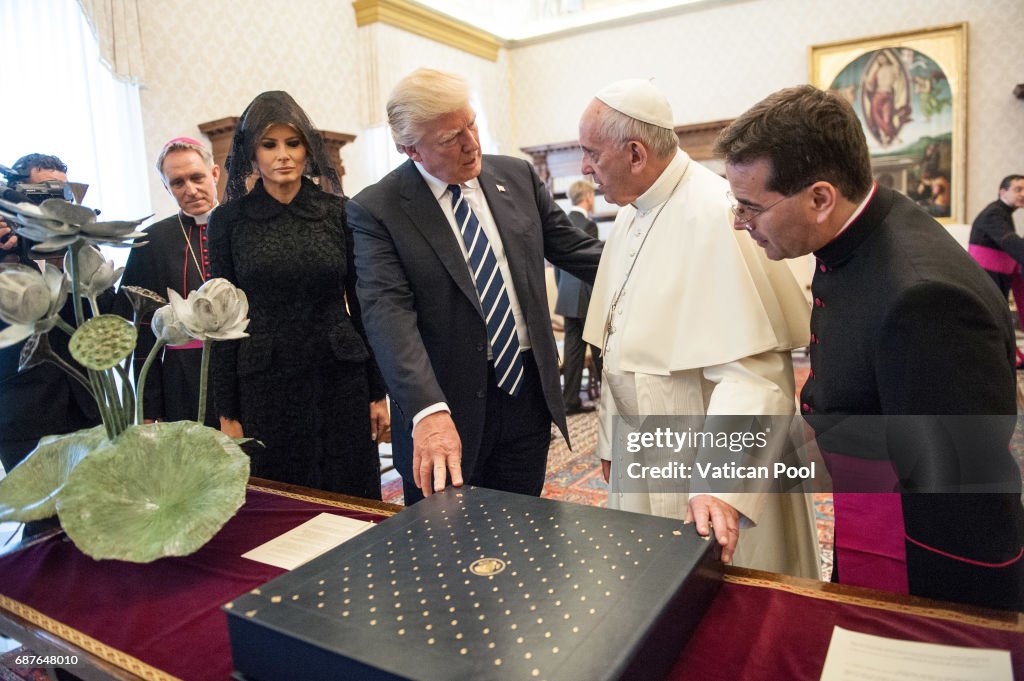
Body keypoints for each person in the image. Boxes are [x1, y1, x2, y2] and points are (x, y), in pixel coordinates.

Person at [715, 84, 1024, 610]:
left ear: (819, 198)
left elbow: (961, 497)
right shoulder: (860, 234)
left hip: (919, 559)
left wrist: (942, 623)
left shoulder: (925, 299)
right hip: (873, 512)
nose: (740, 222)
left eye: (750, 207)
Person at [578, 79, 817, 574]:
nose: (585, 167)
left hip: (702, 461)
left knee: (723, 597)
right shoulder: (631, 211)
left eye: (591, 153)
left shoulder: (717, 213)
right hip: (644, 452)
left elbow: (753, 375)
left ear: (636, 154)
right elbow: (616, 341)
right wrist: (610, 440)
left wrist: (718, 482)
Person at [348, 68, 603, 504]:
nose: (472, 143)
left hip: (526, 393)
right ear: (411, 148)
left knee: (524, 528)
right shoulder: (377, 209)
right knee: (446, 548)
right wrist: (427, 411)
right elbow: (388, 317)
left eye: (472, 124)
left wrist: (660, 258)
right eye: (451, 137)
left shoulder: (518, 177)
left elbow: (579, 254)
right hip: (444, 406)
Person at [207, 91, 388, 499]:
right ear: (252, 155)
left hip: (340, 375)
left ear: (308, 150)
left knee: (351, 493)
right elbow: (222, 319)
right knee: (284, 500)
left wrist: (378, 392)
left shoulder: (339, 212)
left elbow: (362, 306)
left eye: (293, 143)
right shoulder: (228, 221)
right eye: (269, 145)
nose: (282, 155)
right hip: (265, 381)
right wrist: (227, 412)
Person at [0, 154, 106, 474]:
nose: (53, 205)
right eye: (41, 195)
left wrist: (78, 251)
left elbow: (105, 315)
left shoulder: (80, 247)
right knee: (43, 522)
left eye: (61, 194)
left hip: (87, 408)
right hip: (24, 416)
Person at [113, 137, 221, 426]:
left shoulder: (244, 227)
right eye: (177, 182)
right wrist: (149, 409)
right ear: (166, 187)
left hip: (245, 370)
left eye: (197, 177)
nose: (190, 189)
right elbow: (143, 330)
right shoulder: (151, 241)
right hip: (182, 378)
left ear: (214, 174)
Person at [554, 180, 601, 415]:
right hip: (586, 299)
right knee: (600, 348)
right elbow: (590, 266)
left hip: (567, 297)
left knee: (573, 352)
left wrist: (562, 290)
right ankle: (610, 397)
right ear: (589, 197)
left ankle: (569, 401)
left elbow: (556, 265)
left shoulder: (561, 221)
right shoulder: (588, 226)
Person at [968, 174, 1024, 365]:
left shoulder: (1003, 212)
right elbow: (1011, 242)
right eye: (1018, 189)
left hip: (996, 273)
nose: (1023, 194)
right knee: (994, 317)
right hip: (987, 276)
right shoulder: (994, 213)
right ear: (1002, 191)